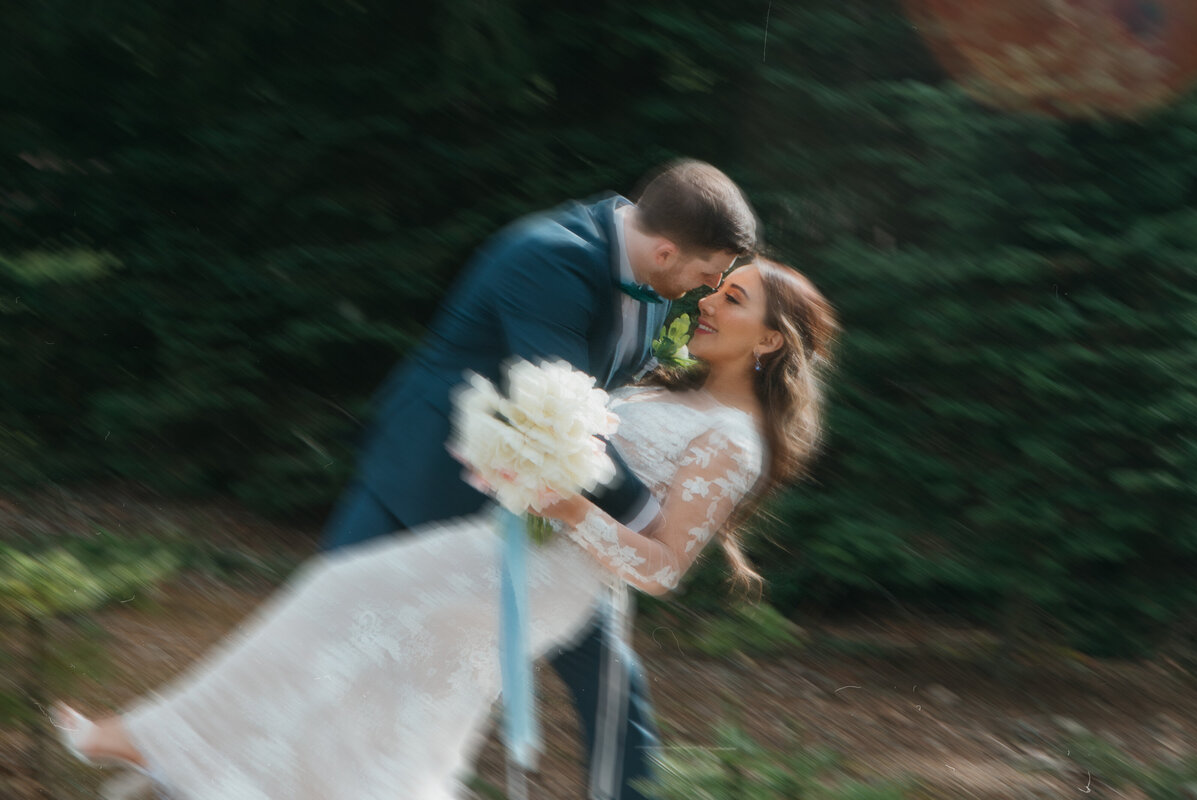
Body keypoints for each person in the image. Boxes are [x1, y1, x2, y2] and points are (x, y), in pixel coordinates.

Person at [52, 259, 836, 800]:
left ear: (770, 342)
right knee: (403, 710)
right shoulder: (683, 397)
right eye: (716, 289)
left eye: (733, 300)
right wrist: (518, 455)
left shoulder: (734, 441)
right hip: (512, 548)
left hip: (547, 577)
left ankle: (156, 738)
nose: (707, 301)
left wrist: (561, 502)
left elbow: (662, 569)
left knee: (344, 596)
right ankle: (181, 747)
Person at [320, 158, 756, 800]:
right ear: (666, 250)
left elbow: (608, 407)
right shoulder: (548, 258)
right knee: (325, 643)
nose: (705, 291)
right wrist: (650, 528)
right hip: (427, 482)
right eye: (706, 275)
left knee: (607, 678)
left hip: (544, 502)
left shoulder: (655, 285)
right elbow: (564, 422)